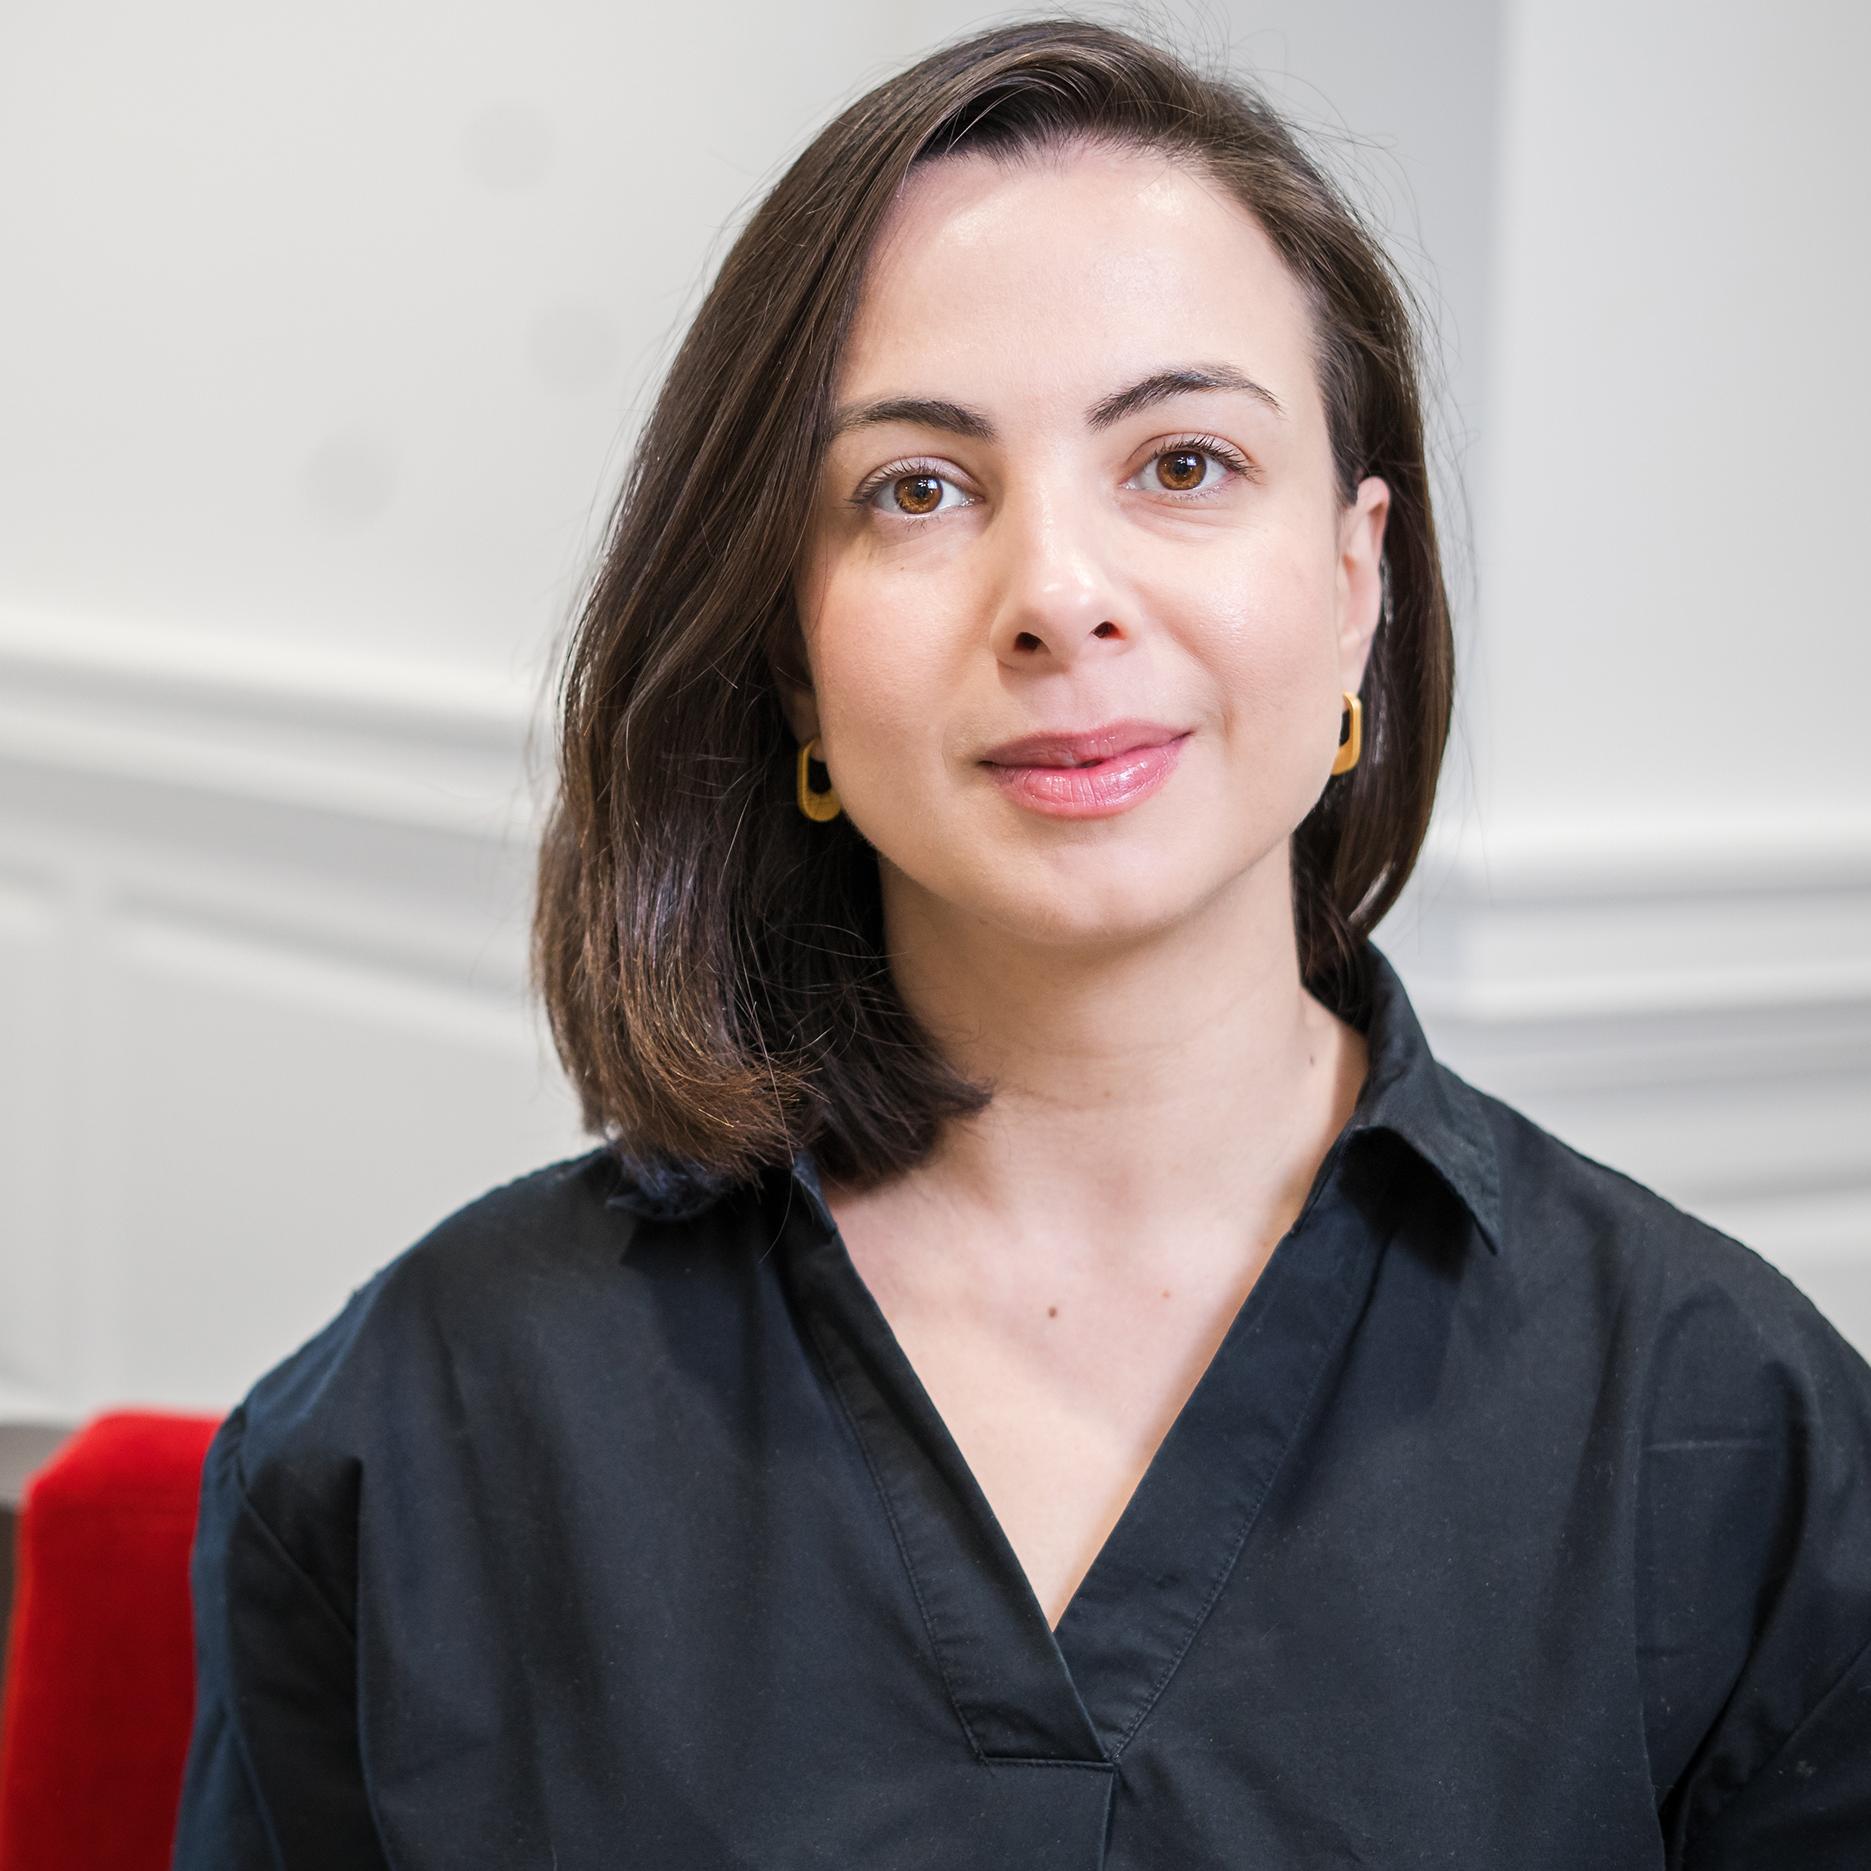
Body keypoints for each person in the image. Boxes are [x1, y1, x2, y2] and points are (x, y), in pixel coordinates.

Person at [171, 17, 1871, 1868]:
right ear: (792, 660)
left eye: (1185, 463)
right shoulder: (408, 1435)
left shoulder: (1742, 1437)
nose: (1060, 595)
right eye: (917, 488)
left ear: (1355, 578)